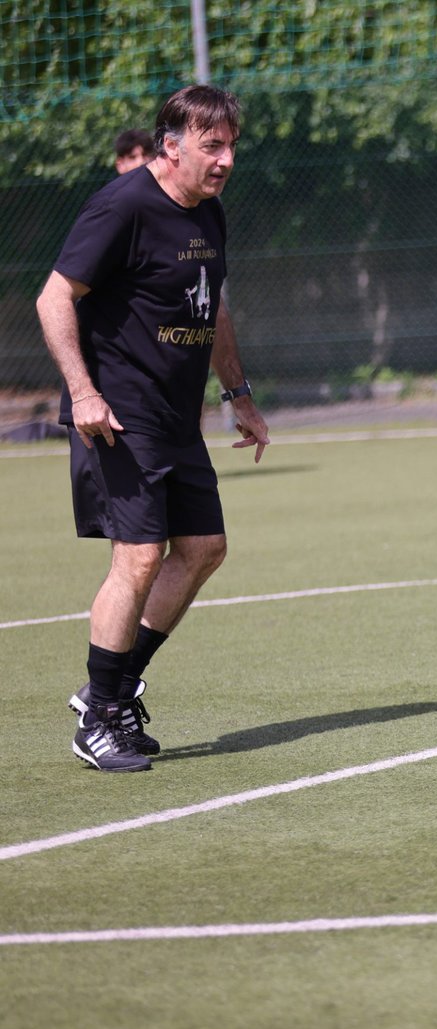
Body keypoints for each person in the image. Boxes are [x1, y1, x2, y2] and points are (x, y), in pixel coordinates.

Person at [37, 85, 270, 773]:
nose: (226, 160)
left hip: (176, 416)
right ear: (170, 146)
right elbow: (54, 297)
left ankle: (107, 693)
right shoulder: (124, 205)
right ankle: (100, 720)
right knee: (138, 557)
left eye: (231, 146)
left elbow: (211, 307)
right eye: (212, 146)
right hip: (118, 413)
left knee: (203, 548)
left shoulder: (210, 212)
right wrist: (84, 393)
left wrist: (240, 395)